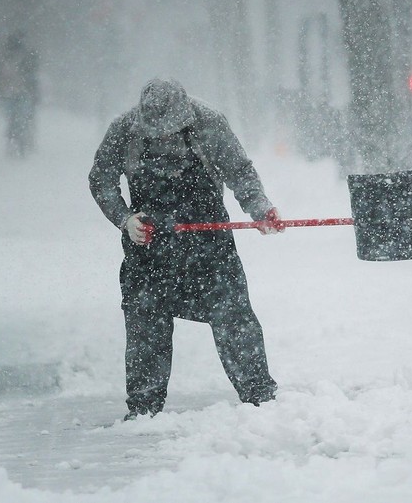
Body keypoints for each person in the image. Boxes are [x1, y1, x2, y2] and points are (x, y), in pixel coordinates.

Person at [89, 78, 283, 420]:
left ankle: (260, 399)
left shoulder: (210, 123)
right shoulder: (123, 130)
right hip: (148, 249)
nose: (164, 140)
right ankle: (144, 410)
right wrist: (124, 219)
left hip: (209, 247)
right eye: (157, 135)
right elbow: (101, 180)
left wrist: (260, 208)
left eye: (171, 133)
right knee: (145, 325)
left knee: (234, 318)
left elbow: (239, 171)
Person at [0, 31, 40, 157]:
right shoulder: (26, 56)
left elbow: (0, 76)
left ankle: (15, 140)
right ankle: (19, 140)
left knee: (14, 119)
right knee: (21, 119)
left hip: (11, 93)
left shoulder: (6, 57)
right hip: (20, 92)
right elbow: (32, 76)